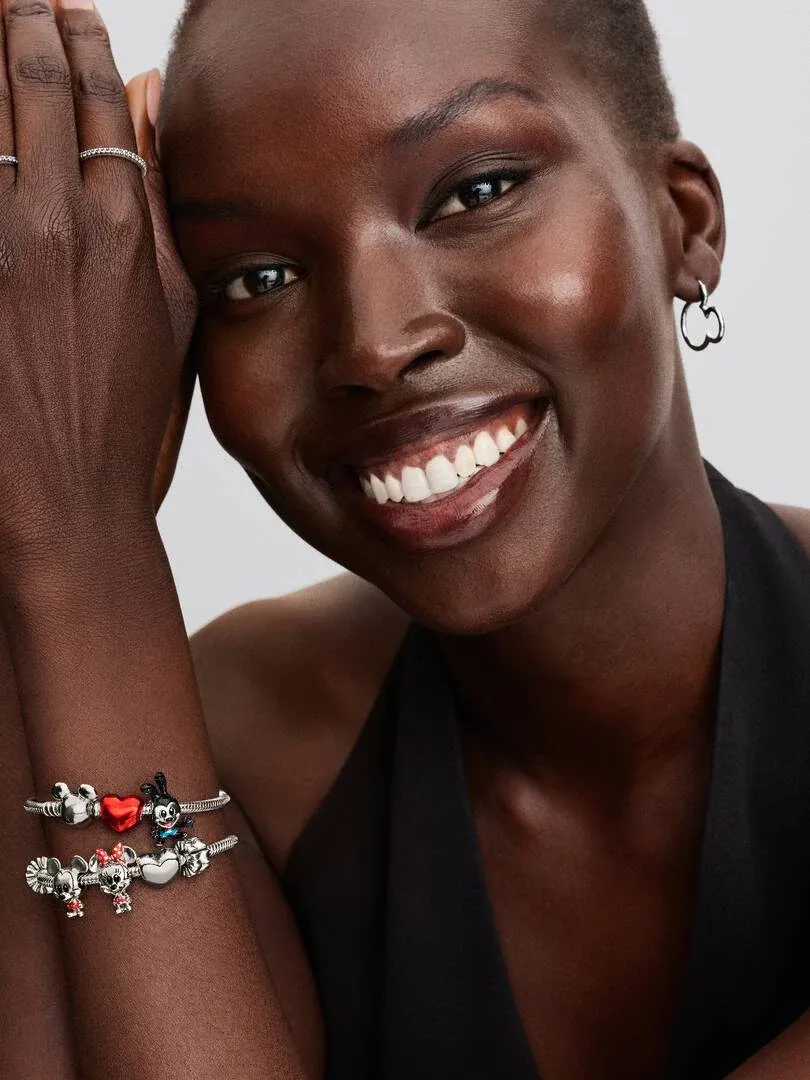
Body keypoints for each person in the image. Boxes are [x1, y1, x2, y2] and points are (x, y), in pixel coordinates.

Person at [1, 0, 809, 1077]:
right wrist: (65, 537)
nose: (374, 346)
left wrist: (84, 558)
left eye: (476, 193)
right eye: (256, 277)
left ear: (685, 220)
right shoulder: (232, 742)